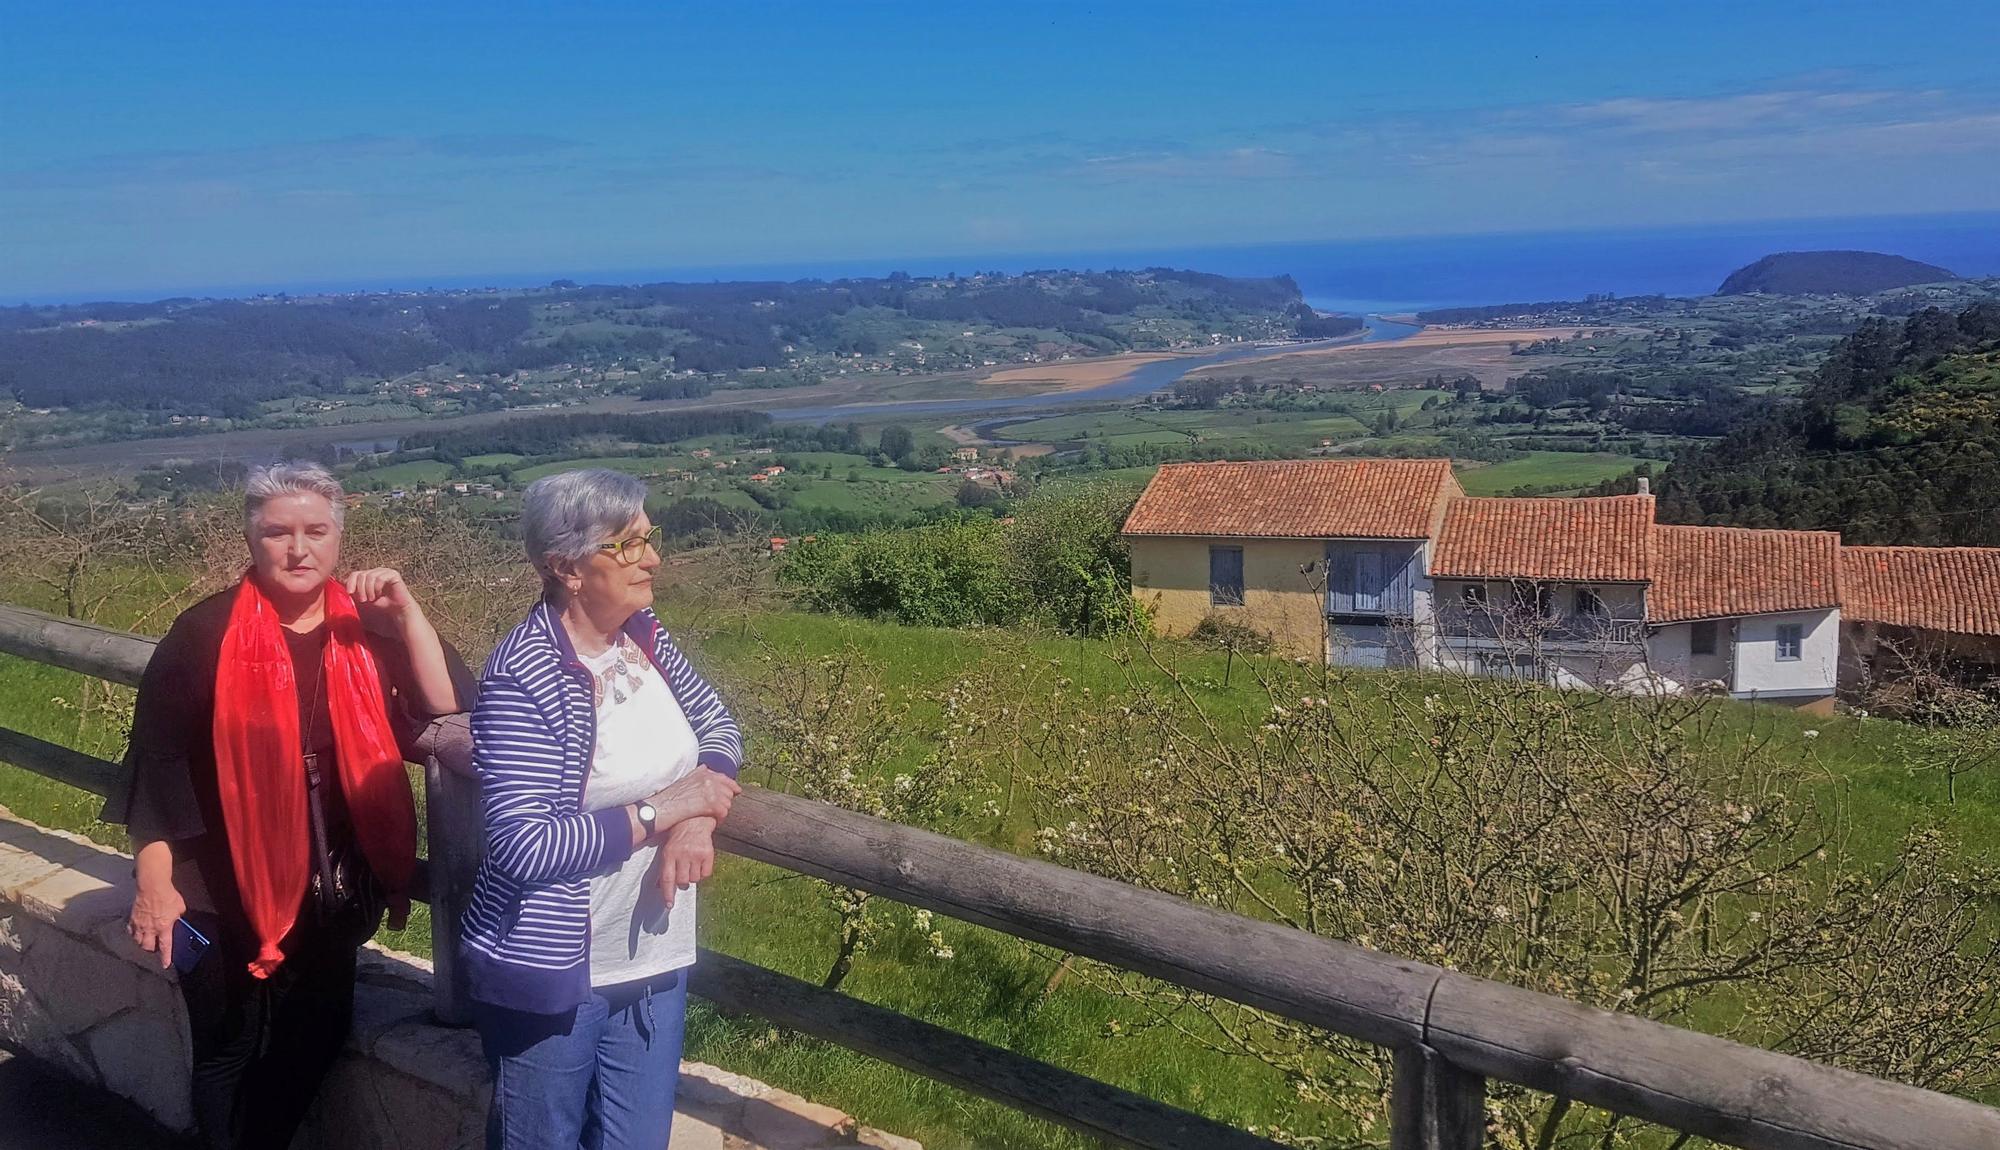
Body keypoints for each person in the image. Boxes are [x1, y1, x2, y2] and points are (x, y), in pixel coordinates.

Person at [104, 461, 469, 1150]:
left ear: (338, 539)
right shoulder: (202, 633)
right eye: (277, 532)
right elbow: (155, 762)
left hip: (325, 886)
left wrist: (408, 609)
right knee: (227, 1046)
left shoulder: (369, 628)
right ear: (250, 538)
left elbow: (449, 702)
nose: (297, 548)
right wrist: (154, 882)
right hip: (209, 885)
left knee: (316, 1035)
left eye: (315, 530)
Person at [461, 468, 743, 1150]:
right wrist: (661, 812)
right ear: (566, 567)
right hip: (555, 976)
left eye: (649, 538)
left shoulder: (643, 636)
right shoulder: (522, 675)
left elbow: (721, 726)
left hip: (652, 962)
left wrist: (699, 814)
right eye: (627, 545)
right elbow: (522, 846)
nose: (653, 558)